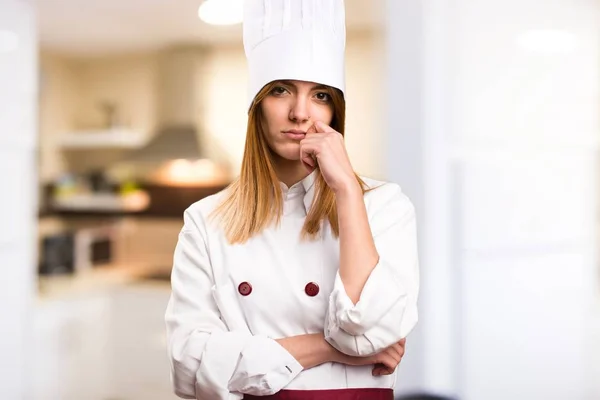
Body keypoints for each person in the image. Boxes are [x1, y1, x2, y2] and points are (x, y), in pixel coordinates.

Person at [164, 1, 420, 399]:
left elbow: (369, 326)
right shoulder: (205, 219)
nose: (300, 113)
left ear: (335, 112)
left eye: (319, 95)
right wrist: (327, 348)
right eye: (281, 90)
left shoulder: (384, 206)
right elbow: (189, 363)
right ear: (257, 107)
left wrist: (348, 192)